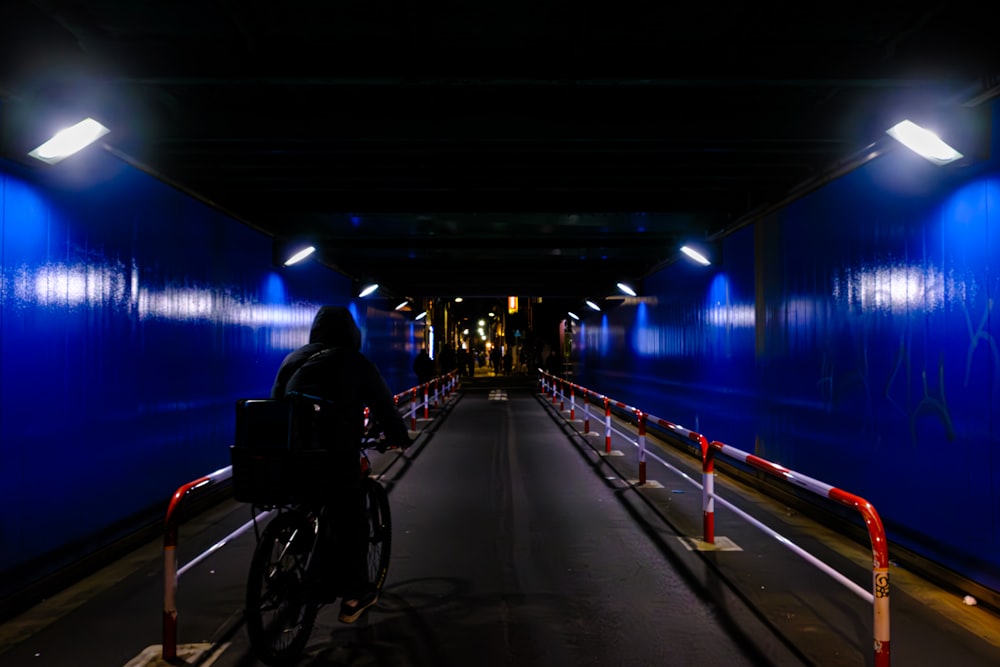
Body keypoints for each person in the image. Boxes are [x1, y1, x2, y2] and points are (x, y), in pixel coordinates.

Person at [271, 305, 411, 624]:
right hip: (334, 457)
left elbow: (276, 402)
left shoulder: (292, 359)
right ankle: (355, 592)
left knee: (308, 503)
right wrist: (398, 436)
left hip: (291, 458)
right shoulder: (354, 362)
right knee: (352, 518)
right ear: (351, 334)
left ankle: (297, 555)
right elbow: (383, 407)